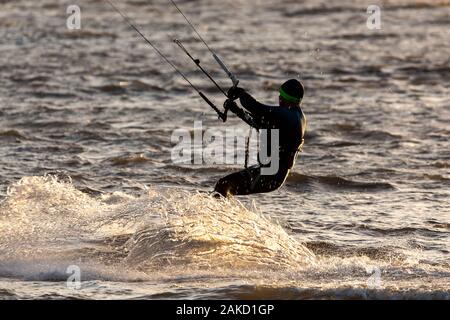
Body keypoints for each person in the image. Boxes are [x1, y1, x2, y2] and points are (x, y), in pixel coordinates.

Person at [213, 79, 306, 197]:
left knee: (223, 185)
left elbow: (256, 108)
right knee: (226, 186)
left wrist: (241, 93)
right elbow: (260, 124)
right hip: (270, 172)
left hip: (270, 175)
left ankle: (216, 214)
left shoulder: (289, 116)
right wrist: (237, 111)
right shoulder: (294, 115)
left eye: (281, 96)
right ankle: (225, 214)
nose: (279, 99)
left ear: (287, 98)